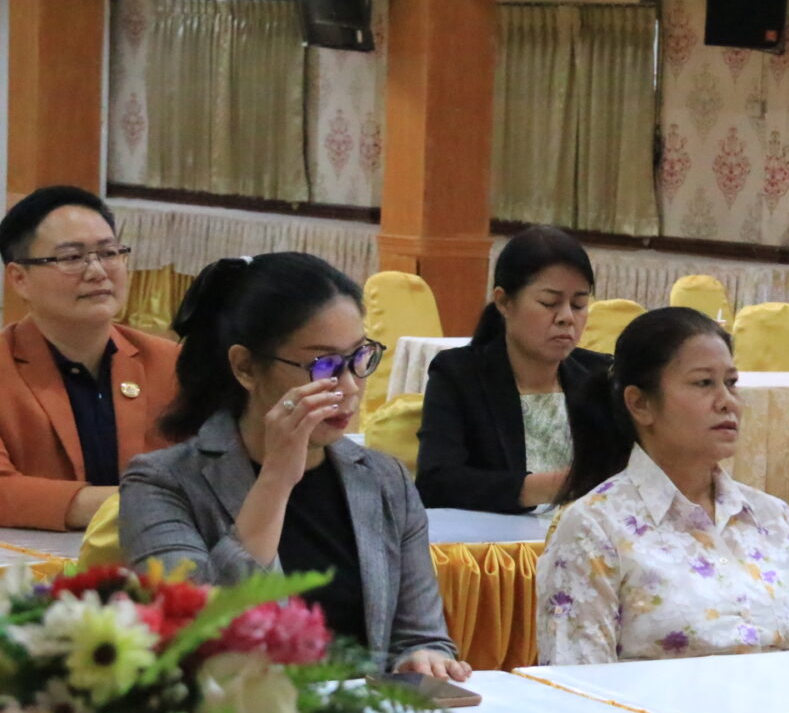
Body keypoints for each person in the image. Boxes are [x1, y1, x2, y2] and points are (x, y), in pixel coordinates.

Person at [120, 253, 468, 679]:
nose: (348, 387)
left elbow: (420, 635)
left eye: (359, 358)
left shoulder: (383, 478)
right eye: (324, 365)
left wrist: (423, 657)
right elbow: (196, 637)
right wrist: (276, 479)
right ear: (246, 368)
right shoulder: (161, 482)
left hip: (363, 711)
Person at [536, 307, 789, 664]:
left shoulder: (774, 519)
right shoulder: (594, 527)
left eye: (731, 383)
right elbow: (575, 680)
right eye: (703, 383)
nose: (727, 402)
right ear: (640, 404)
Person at [0, 186, 178, 531]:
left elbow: (214, 473)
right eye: (71, 257)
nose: (97, 271)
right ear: (20, 279)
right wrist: (144, 502)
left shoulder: (171, 364)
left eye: (109, 253)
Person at [416, 226, 610, 512]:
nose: (567, 318)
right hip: (495, 538)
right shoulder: (459, 374)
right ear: (504, 302)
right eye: (549, 303)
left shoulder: (599, 375)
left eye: (579, 304)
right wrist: (553, 486)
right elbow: (436, 482)